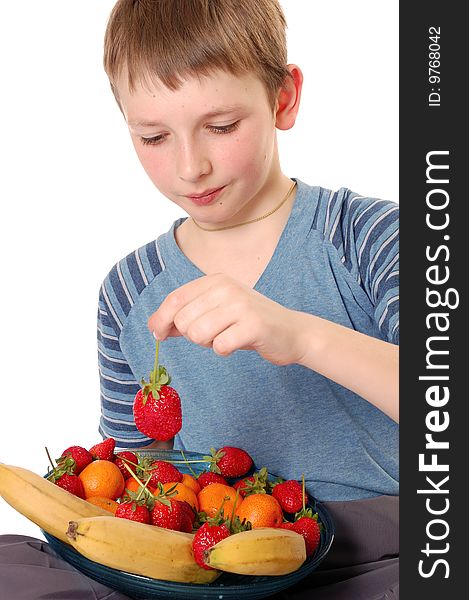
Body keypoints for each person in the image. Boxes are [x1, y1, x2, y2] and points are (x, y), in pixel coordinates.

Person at [0, 1, 398, 598]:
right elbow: (137, 480)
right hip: (211, 561)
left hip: (375, 549)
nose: (191, 166)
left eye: (221, 127)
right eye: (154, 136)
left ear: (283, 100)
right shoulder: (128, 291)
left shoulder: (368, 238)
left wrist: (301, 335)